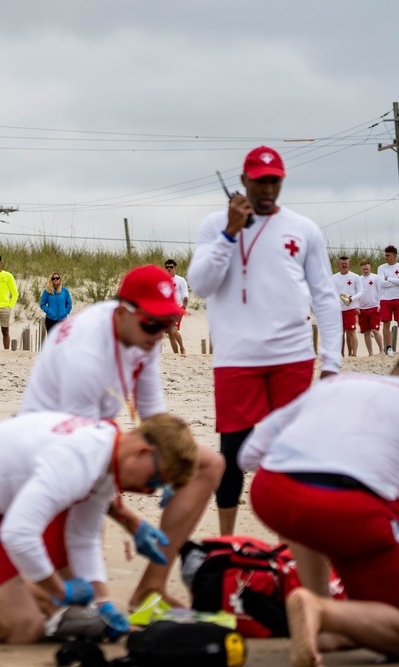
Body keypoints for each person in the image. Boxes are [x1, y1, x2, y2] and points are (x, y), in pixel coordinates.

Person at [0, 411, 198, 644]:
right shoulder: (77, 462)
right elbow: (19, 536)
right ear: (144, 453)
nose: (148, 492)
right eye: (155, 481)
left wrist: (101, 604)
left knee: (52, 606)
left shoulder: (107, 450)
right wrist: (61, 589)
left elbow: (83, 537)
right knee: (23, 628)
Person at [19, 264, 224, 610]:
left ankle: (150, 590)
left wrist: (172, 469)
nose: (160, 333)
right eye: (152, 324)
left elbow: (155, 419)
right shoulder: (86, 355)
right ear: (122, 312)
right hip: (49, 454)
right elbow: (80, 460)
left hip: (96, 437)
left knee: (206, 464)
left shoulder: (143, 335)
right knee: (64, 609)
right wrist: (131, 521)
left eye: (167, 323)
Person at [186, 146, 342, 536]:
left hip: (292, 355)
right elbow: (201, 285)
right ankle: (227, 541)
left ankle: (293, 543)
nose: (268, 188)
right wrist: (229, 233)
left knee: (292, 452)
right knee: (233, 453)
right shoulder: (214, 224)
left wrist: (332, 362)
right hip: (236, 358)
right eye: (260, 180)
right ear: (243, 182)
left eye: (275, 180)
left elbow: (324, 295)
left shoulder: (304, 228)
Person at [238, 365, 399, 667]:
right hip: (346, 510)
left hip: (272, 491)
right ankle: (320, 609)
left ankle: (325, 621)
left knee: (308, 498)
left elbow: (248, 455)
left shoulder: (337, 385)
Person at [332, 256, 363, 358]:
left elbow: (361, 291)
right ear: (339, 265)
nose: (344, 265)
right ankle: (340, 354)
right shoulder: (333, 278)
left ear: (349, 264)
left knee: (351, 332)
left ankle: (353, 354)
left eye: (346, 263)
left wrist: (351, 299)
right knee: (340, 333)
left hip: (350, 308)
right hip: (337, 310)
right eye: (342, 263)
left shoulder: (355, 277)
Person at [357, 260, 384, 356]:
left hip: (374, 307)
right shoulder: (358, 279)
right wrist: (357, 307)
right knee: (366, 332)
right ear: (361, 269)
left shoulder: (376, 278)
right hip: (362, 308)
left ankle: (381, 351)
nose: (365, 271)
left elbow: (381, 291)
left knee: (375, 330)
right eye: (363, 269)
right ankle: (370, 353)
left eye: (367, 269)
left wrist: (379, 304)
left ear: (370, 268)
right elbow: (356, 294)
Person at [163, 259, 189, 355]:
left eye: (171, 267)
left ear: (175, 268)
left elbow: (185, 293)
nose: (169, 269)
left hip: (177, 308)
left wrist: (185, 304)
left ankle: (182, 348)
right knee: (169, 333)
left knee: (174, 330)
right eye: (167, 267)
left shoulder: (180, 280)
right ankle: (176, 354)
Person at [377, 245, 399, 357]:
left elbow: (387, 282)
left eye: (388, 255)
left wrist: (389, 279)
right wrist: (395, 282)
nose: (386, 257)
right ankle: (389, 347)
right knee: (386, 323)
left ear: (395, 256)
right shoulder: (381, 268)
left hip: (398, 298)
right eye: (385, 255)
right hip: (385, 299)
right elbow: (381, 283)